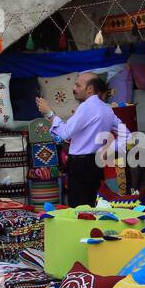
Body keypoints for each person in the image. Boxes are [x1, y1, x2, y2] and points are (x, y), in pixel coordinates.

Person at [36, 72, 127, 208]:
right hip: (96, 164)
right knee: (93, 206)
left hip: (80, 166)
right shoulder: (107, 109)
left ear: (89, 89)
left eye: (78, 85)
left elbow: (65, 133)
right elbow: (127, 135)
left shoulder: (86, 107)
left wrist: (49, 112)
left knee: (78, 209)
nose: (74, 88)